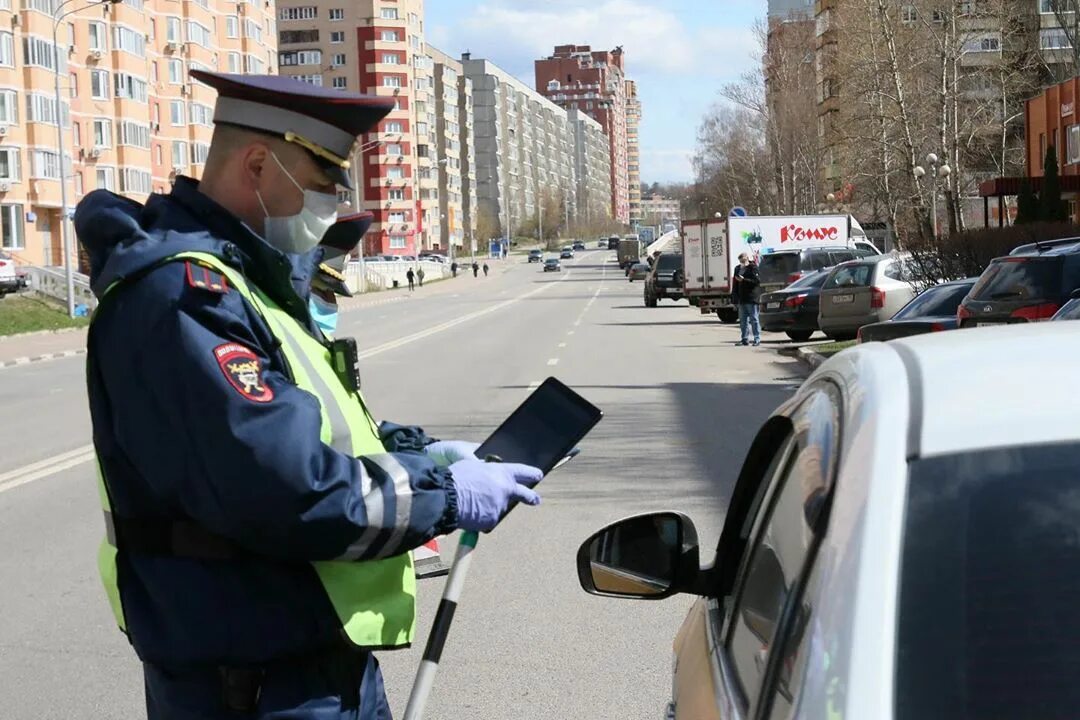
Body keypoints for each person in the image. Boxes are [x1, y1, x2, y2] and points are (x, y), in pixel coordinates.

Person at [75, 70, 543, 720]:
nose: (331, 202)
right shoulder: (187, 299)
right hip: (255, 688)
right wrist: (445, 497)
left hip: (311, 665)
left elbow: (316, 433)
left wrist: (424, 456)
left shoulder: (243, 285)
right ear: (260, 165)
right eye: (323, 181)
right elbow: (293, 491)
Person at [733, 252, 762, 346]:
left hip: (751, 298)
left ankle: (757, 339)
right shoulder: (737, 268)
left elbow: (757, 281)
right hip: (742, 298)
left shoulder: (753, 267)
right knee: (743, 320)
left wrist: (744, 280)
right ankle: (744, 339)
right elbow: (735, 284)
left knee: (754, 319)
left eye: (743, 260)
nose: (742, 262)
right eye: (740, 261)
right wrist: (734, 298)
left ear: (747, 259)